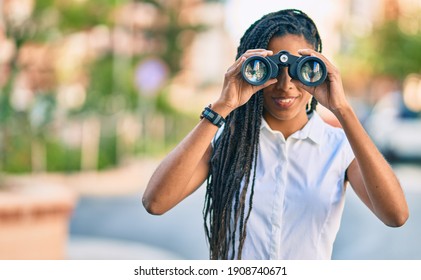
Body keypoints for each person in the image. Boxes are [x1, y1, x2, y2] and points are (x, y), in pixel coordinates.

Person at [142, 9, 409, 260]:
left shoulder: (338, 147)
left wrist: (342, 109)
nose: (285, 85)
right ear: (248, 69)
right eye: (267, 70)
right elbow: (156, 202)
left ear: (318, 68)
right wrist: (222, 107)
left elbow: (395, 215)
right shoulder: (227, 139)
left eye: (300, 69)